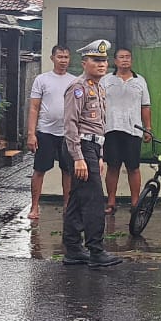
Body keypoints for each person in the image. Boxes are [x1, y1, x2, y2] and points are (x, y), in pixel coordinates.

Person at [62, 39, 123, 268]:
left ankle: (73, 250)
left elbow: (100, 124)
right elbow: (70, 125)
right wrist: (78, 157)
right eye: (96, 60)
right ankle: (96, 250)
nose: (101, 64)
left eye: (104, 60)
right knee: (95, 201)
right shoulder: (77, 88)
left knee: (77, 200)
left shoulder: (98, 87)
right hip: (80, 147)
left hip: (93, 147)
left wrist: (99, 155)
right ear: (84, 62)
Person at [100, 48, 153, 215]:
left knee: (133, 167)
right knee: (113, 166)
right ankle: (111, 202)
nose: (125, 60)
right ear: (115, 61)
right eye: (121, 57)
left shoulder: (140, 81)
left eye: (128, 57)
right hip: (111, 128)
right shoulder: (105, 80)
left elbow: (145, 106)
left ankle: (135, 202)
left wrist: (148, 128)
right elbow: (98, 104)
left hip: (134, 130)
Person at [26, 46, 74, 221]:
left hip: (67, 133)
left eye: (66, 57)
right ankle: (34, 206)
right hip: (45, 131)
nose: (63, 60)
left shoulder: (74, 81)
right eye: (60, 57)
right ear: (52, 58)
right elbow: (34, 107)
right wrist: (31, 134)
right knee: (39, 169)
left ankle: (68, 205)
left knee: (68, 170)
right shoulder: (42, 79)